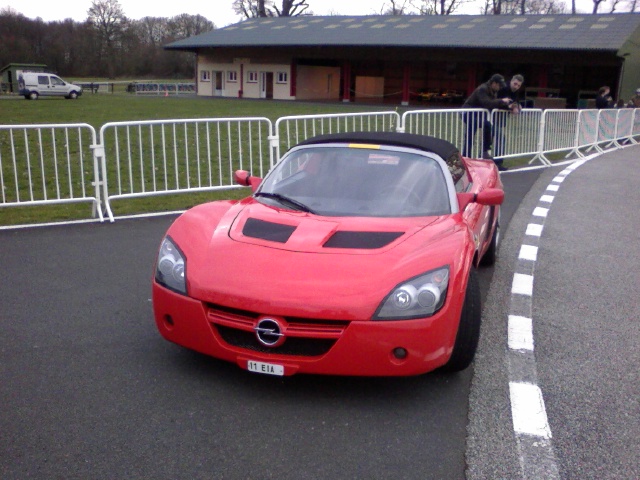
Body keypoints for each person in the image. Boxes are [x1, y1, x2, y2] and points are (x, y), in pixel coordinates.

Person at [462, 74, 514, 171]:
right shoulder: (483, 89)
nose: (500, 88)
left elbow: (493, 104)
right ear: (494, 83)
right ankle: (469, 159)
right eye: (499, 85)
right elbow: (487, 103)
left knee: (482, 129)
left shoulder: (492, 91)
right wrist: (502, 100)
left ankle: (482, 153)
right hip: (468, 114)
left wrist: (508, 107)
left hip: (477, 115)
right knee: (472, 135)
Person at [494, 74, 524, 157]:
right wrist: (510, 107)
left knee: (498, 138)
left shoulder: (515, 92)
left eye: (518, 85)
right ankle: (497, 160)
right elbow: (496, 102)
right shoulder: (503, 89)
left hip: (500, 117)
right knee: (499, 138)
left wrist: (517, 105)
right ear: (511, 81)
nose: (516, 87)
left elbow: (515, 101)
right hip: (493, 116)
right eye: (515, 84)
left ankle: (497, 160)